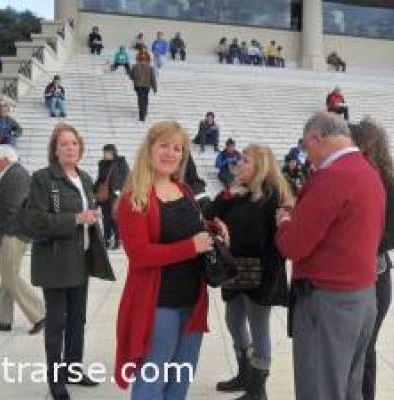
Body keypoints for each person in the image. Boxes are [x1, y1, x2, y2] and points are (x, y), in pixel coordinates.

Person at [275, 112, 385, 400]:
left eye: (306, 145)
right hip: (362, 297)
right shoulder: (368, 171)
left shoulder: (332, 176)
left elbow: (294, 246)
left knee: (320, 389)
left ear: (317, 138)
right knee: (349, 387)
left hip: (327, 303)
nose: (306, 154)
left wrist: (285, 223)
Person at [114, 121, 218, 398]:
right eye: (164, 146)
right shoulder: (134, 198)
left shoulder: (183, 190)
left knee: (181, 377)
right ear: (149, 149)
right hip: (158, 304)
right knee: (152, 378)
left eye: (178, 148)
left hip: (193, 301)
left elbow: (194, 230)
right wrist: (190, 247)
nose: (171, 153)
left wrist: (214, 230)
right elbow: (139, 255)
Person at [28, 123, 115, 400]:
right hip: (55, 262)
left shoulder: (86, 179)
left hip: (81, 260)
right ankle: (56, 381)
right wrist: (77, 219)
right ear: (55, 149)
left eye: (74, 143)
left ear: (81, 148)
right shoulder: (43, 179)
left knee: (77, 319)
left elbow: (87, 214)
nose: (70, 147)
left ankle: (73, 370)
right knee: (56, 323)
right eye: (63, 143)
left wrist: (91, 218)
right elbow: (37, 221)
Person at [209, 144, 293, 400]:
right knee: (233, 321)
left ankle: (257, 388)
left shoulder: (273, 196)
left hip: (262, 273)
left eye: (245, 161)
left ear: (260, 167)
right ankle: (244, 373)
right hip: (235, 269)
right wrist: (225, 196)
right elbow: (208, 215)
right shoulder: (236, 193)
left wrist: (270, 279)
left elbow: (277, 243)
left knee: (259, 327)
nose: (238, 165)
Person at [350, 118, 394, 400]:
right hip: (349, 279)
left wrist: (358, 244)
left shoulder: (385, 183)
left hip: (375, 278)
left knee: (365, 349)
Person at [0, 145, 45, 334]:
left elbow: (15, 208)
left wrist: (7, 233)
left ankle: (41, 314)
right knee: (6, 277)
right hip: (11, 233)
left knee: (10, 276)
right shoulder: (12, 172)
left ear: (5, 160)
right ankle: (2, 320)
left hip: (12, 234)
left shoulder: (16, 175)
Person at [93, 144, 130, 250]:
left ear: (114, 152)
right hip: (105, 196)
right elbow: (100, 179)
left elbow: (127, 177)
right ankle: (106, 240)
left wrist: (120, 191)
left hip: (115, 195)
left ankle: (118, 240)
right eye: (104, 152)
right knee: (106, 219)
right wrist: (94, 190)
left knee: (115, 219)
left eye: (108, 152)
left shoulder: (120, 162)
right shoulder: (102, 164)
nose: (106, 155)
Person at [130, 54, 157, 122]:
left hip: (138, 86)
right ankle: (144, 111)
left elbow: (131, 76)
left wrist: (136, 78)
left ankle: (142, 115)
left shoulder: (134, 66)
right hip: (146, 86)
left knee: (140, 99)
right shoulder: (150, 67)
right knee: (145, 99)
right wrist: (154, 88)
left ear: (138, 59)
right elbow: (153, 78)